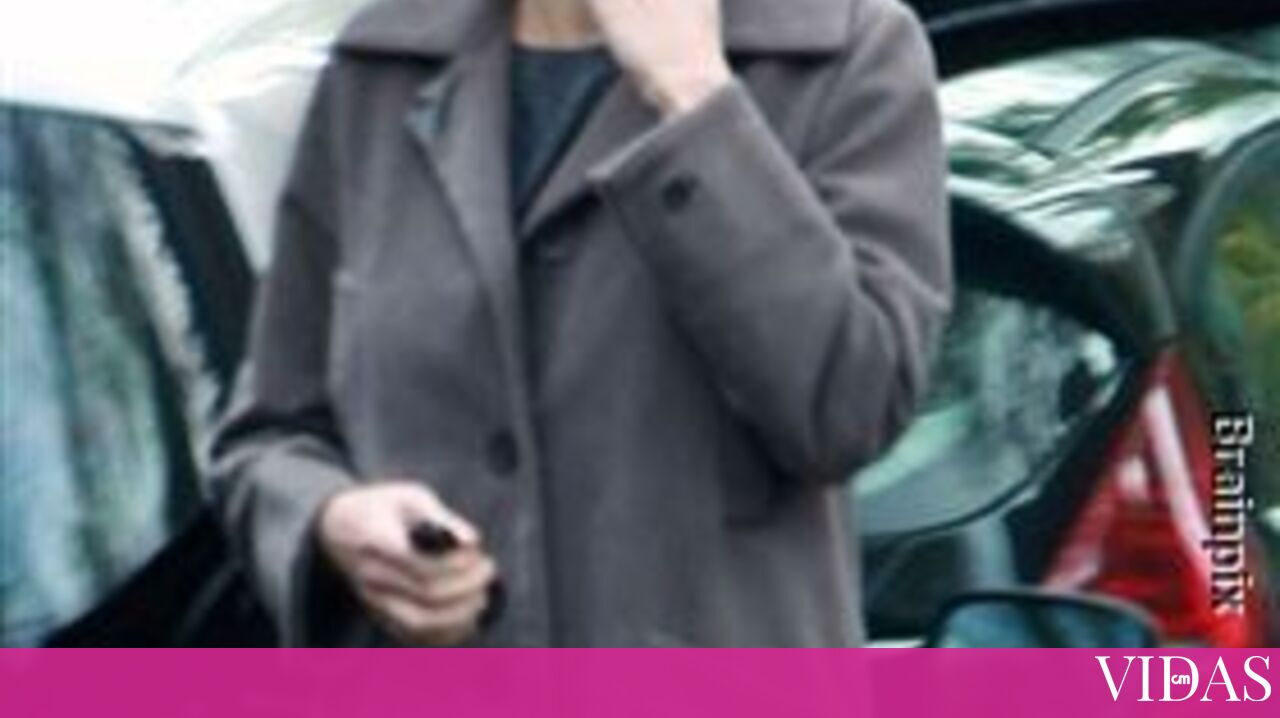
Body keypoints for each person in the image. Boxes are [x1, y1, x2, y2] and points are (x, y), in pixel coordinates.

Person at [207, 0, 952, 647]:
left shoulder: (840, 53)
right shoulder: (380, 67)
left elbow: (850, 404)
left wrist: (694, 96)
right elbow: (265, 441)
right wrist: (335, 522)